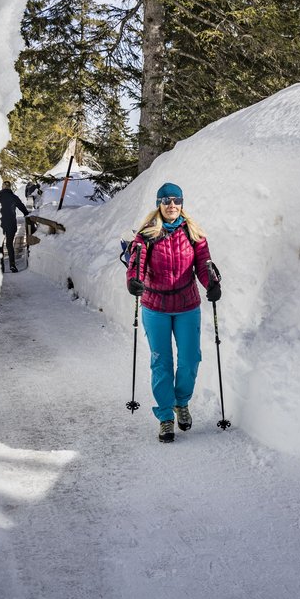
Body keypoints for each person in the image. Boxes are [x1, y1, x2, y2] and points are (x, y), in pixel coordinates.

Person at [126, 182, 221, 443]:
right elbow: (136, 265)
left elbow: (204, 265)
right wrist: (134, 281)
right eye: (166, 200)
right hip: (155, 307)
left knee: (190, 359)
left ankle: (182, 402)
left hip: (187, 306)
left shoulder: (194, 234)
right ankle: (166, 416)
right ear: (159, 204)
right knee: (161, 362)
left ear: (182, 203)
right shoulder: (146, 235)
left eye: (176, 200)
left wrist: (211, 283)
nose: (171, 205)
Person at [0, 181, 29, 273]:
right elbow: (22, 208)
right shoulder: (14, 197)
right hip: (11, 224)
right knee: (9, 244)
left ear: (2, 187)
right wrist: (27, 214)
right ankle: (12, 265)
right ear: (10, 188)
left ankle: (0, 267)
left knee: (0, 245)